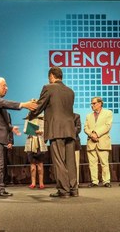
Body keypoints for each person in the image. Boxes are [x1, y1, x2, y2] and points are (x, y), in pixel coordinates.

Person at [0, 77, 37, 198]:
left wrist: (10, 128)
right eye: (4, 85)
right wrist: (23, 104)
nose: (6, 88)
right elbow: (6, 103)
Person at [28, 67, 77, 198]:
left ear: (51, 76)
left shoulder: (48, 87)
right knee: (70, 162)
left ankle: (63, 190)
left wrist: (30, 114)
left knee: (59, 161)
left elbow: (39, 106)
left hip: (56, 129)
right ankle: (73, 189)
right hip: (70, 129)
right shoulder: (70, 91)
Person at [84, 97, 113, 188]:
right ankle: (94, 181)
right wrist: (91, 134)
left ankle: (106, 181)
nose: (92, 105)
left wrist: (96, 133)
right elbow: (85, 128)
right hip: (91, 142)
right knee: (92, 163)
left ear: (100, 103)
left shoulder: (108, 113)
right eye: (91, 104)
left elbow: (107, 126)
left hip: (102, 141)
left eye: (94, 103)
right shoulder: (89, 116)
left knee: (104, 163)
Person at [24, 112, 48, 189]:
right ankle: (33, 182)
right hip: (31, 143)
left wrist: (40, 131)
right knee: (32, 165)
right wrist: (29, 130)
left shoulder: (42, 118)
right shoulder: (28, 118)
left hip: (40, 143)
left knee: (40, 164)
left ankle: (41, 183)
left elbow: (45, 130)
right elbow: (24, 130)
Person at [73, 113, 82, 187]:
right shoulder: (60, 116)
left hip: (74, 143)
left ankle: (76, 182)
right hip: (63, 144)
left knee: (76, 164)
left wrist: (67, 132)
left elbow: (78, 128)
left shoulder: (76, 116)